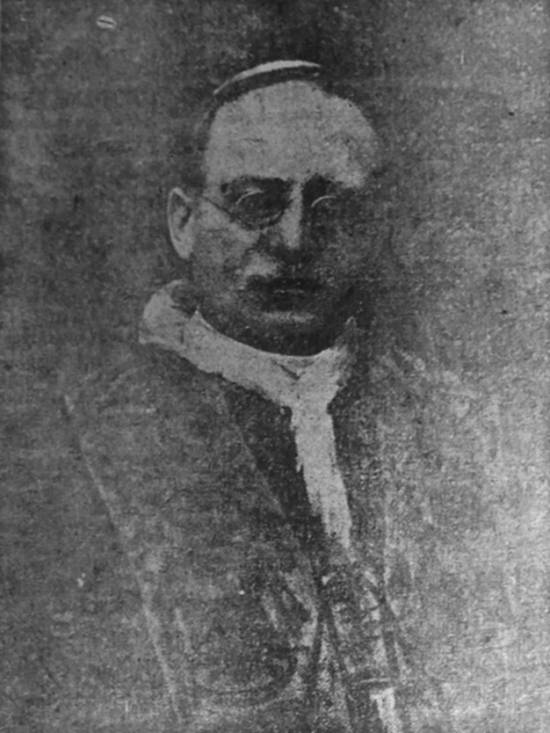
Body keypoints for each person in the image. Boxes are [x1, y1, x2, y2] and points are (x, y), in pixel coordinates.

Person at [68, 60, 407, 733]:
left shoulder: (459, 418)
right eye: (256, 202)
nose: (295, 241)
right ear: (183, 221)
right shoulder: (83, 435)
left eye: (332, 210)